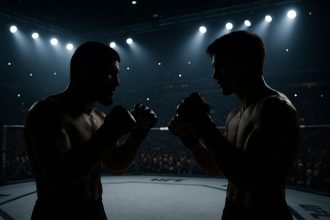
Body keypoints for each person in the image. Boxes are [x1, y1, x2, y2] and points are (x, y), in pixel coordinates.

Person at [168, 31, 299, 220]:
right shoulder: (235, 115)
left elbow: (247, 178)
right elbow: (214, 168)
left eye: (220, 67)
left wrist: (203, 123)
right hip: (231, 210)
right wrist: (189, 137)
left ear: (245, 63)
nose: (214, 76)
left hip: (265, 215)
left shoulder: (276, 108)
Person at [24, 41, 157, 220]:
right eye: (111, 74)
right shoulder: (47, 112)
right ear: (86, 72)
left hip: (95, 209)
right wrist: (110, 131)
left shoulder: (99, 117)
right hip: (57, 212)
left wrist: (139, 131)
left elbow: (116, 165)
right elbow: (59, 179)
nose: (117, 82)